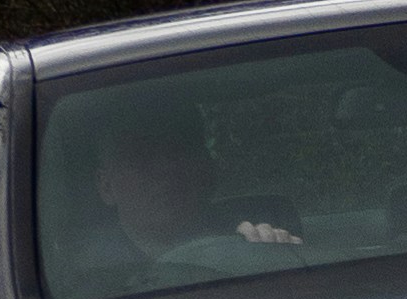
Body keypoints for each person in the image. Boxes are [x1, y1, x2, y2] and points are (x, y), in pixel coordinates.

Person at [92, 90, 302, 259]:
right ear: (106, 186)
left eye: (180, 150)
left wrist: (272, 257)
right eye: (140, 156)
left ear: (208, 166)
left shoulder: (244, 243)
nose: (166, 167)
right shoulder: (88, 282)